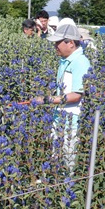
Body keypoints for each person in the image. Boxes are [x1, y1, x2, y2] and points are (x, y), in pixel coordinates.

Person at [38, 24, 91, 171]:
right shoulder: (65, 60)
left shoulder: (80, 62)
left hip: (72, 122)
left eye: (58, 42)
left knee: (68, 164)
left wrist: (46, 100)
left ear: (71, 43)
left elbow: (76, 95)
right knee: (56, 161)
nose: (55, 46)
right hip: (61, 119)